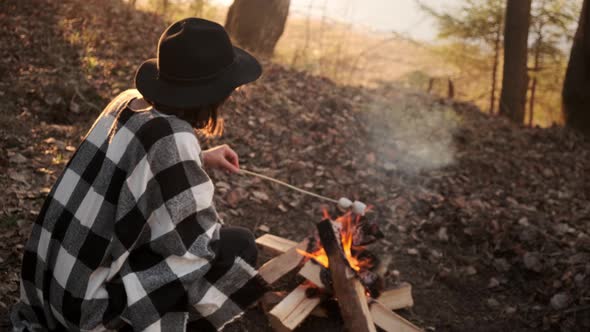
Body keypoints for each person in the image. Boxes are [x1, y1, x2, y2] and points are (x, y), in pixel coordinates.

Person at [11, 18, 267, 332]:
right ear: (213, 93)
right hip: (88, 312)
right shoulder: (173, 139)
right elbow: (198, 245)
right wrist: (188, 161)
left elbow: (135, 161)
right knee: (238, 247)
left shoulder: (126, 102)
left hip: (49, 288)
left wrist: (201, 157)